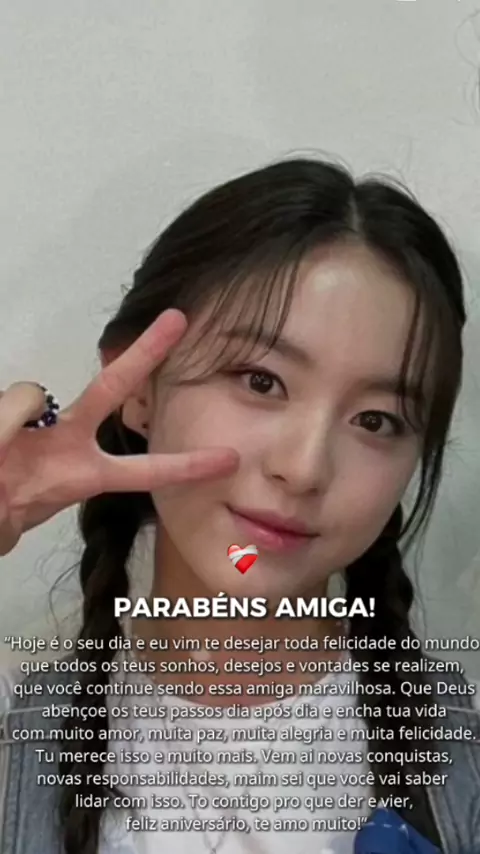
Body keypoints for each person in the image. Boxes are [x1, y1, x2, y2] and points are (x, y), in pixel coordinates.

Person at [0, 158, 478, 854]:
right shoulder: (16, 737)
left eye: (376, 420)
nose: (304, 468)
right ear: (139, 387)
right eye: (261, 381)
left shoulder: (461, 763)